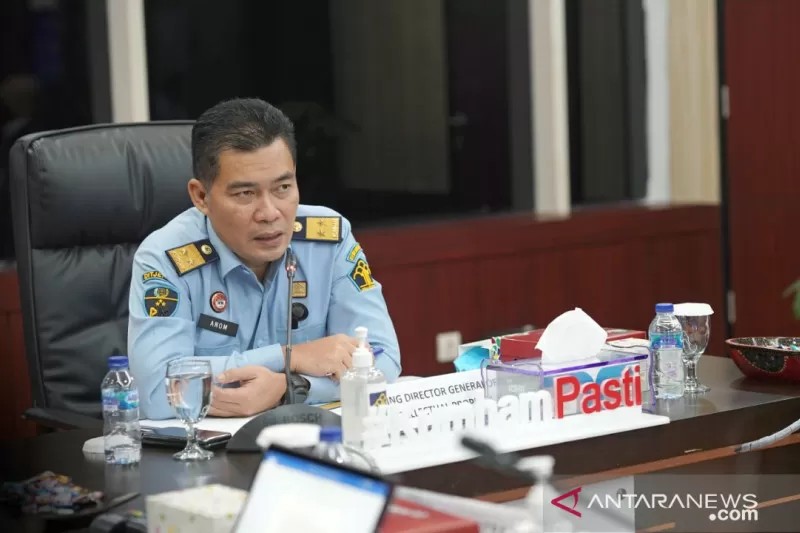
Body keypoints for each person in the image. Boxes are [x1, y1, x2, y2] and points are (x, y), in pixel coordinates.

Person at [128, 98, 401, 420]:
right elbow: (156, 391)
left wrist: (290, 388)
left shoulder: (329, 239)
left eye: (283, 187)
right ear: (201, 196)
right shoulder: (165, 258)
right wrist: (289, 357)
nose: (270, 213)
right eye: (245, 194)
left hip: (309, 438)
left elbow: (383, 360)